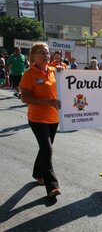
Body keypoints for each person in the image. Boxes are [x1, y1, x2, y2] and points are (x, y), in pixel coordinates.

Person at [19, 42, 61, 198]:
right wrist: (48, 102)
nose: (46, 56)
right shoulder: (29, 74)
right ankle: (52, 186)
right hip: (37, 118)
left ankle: (37, 172)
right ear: (33, 57)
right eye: (42, 53)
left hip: (53, 118)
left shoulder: (55, 71)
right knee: (47, 149)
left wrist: (62, 73)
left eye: (47, 53)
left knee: (45, 148)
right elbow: (25, 97)